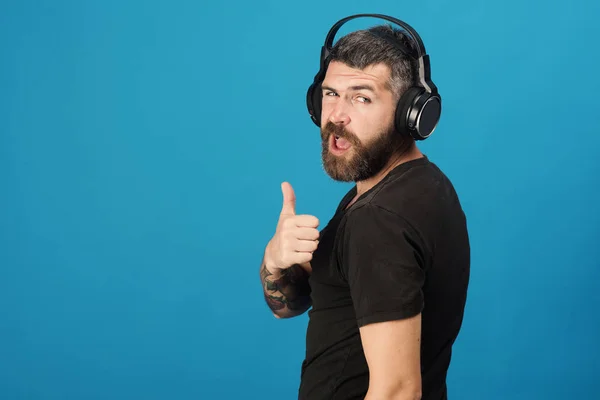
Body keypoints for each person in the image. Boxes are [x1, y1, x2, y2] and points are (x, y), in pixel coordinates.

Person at [258, 14, 470, 400]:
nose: (337, 115)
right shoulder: (417, 185)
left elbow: (398, 391)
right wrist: (276, 259)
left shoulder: (379, 219)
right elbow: (292, 304)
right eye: (330, 93)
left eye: (362, 97)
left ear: (411, 114)